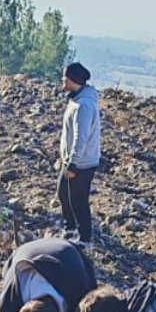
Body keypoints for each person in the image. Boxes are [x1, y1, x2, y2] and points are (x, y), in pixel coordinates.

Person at [58, 61, 101, 247]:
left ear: (72, 79)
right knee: (63, 193)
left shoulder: (83, 105)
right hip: (74, 160)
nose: (62, 80)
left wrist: (73, 163)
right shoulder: (77, 100)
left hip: (82, 163)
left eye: (64, 77)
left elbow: (80, 136)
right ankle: (70, 229)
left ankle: (84, 238)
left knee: (78, 200)